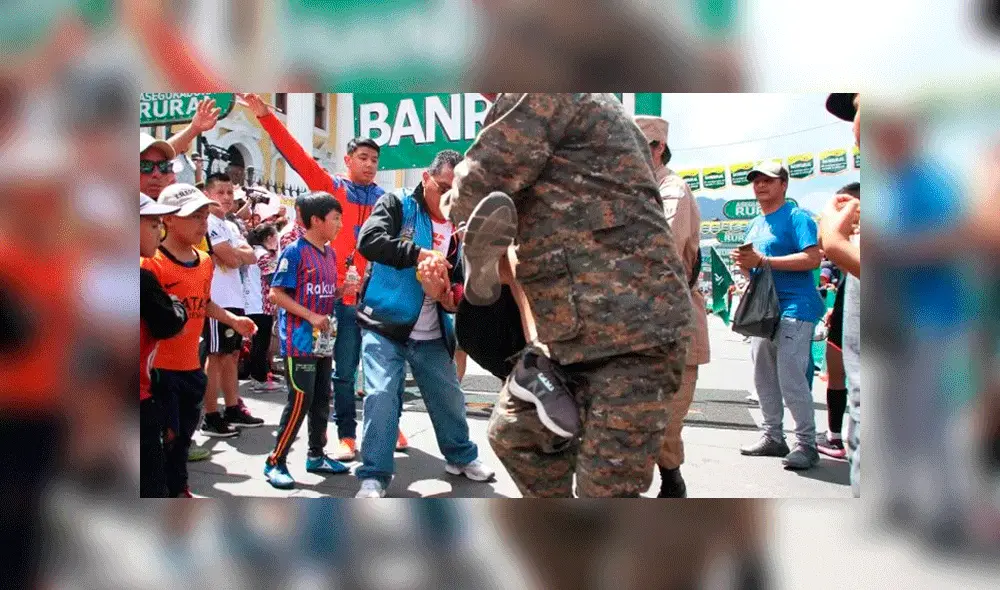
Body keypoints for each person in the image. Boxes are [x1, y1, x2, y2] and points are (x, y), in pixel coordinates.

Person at [442, 93, 693, 498]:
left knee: (606, 492)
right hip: (570, 332)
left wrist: (446, 200)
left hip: (634, 332)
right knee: (516, 435)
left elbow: (474, 186)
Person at [242, 93, 390, 460]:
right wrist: (265, 118)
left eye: (374, 160)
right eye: (363, 158)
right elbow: (297, 155)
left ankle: (388, 422)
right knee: (340, 372)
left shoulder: (385, 199)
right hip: (335, 301)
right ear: (348, 160)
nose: (370, 165)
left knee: (379, 365)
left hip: (373, 295)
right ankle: (346, 436)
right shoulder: (331, 189)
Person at [353, 150, 495, 498]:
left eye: (456, 192)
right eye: (443, 188)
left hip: (431, 330)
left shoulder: (461, 225)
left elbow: (463, 278)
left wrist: (453, 297)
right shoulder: (397, 203)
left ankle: (460, 457)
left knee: (449, 397)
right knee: (382, 396)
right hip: (385, 323)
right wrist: (419, 254)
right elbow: (368, 242)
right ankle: (374, 475)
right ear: (426, 179)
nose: (448, 199)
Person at [142, 184, 257, 497]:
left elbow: (202, 302)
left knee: (183, 440)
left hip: (192, 368)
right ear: (167, 220)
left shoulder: (205, 261)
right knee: (165, 440)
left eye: (205, 214)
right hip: (160, 374)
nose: (203, 222)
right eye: (194, 215)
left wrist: (233, 320)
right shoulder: (150, 264)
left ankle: (180, 488)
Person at [635, 115, 711, 498]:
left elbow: (656, 250)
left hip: (673, 330)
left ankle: (672, 484)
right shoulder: (633, 190)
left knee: (665, 424)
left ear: (658, 148)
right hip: (635, 328)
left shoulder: (672, 191)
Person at [733, 160, 825, 471]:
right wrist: (745, 264)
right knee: (763, 376)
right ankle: (772, 436)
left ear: (783, 185)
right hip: (764, 310)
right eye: (756, 181)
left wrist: (765, 260)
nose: (760, 185)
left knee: (791, 377)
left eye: (768, 180)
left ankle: (806, 443)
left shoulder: (798, 217)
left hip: (796, 306)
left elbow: (813, 258)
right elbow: (754, 267)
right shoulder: (754, 224)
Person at [264, 192, 351, 490]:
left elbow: (323, 294)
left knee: (320, 401)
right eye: (335, 218)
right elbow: (276, 294)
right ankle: (275, 460)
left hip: (322, 344)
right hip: (298, 342)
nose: (340, 224)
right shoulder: (294, 252)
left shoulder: (330, 253)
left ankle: (316, 455)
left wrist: (342, 291)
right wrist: (311, 316)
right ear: (316, 220)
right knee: (300, 400)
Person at [201, 173, 264, 436]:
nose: (227, 198)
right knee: (216, 357)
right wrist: (233, 254)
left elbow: (249, 257)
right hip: (217, 298)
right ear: (207, 194)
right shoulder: (209, 222)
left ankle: (232, 407)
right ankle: (210, 415)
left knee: (232, 355)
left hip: (235, 298)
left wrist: (234, 254)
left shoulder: (232, 225)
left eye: (230, 192)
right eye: (220, 192)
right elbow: (228, 255)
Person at [140, 193, 187, 497]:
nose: (160, 231)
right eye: (154, 223)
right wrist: (174, 301)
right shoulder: (141, 278)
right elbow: (171, 321)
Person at [817, 181, 860, 459]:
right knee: (836, 371)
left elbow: (830, 245)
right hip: (848, 300)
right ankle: (835, 437)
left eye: (845, 206)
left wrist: (833, 236)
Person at [245, 222, 283, 392]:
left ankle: (262, 373)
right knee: (261, 342)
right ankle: (258, 378)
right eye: (276, 236)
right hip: (260, 303)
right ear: (269, 237)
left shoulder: (256, 252)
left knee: (261, 341)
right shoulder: (263, 255)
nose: (278, 241)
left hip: (256, 303)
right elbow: (272, 279)